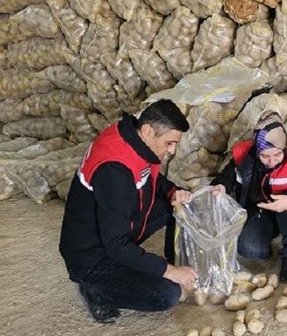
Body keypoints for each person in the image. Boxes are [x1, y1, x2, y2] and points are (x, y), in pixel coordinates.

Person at [59, 99, 198, 323]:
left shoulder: (133, 138)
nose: (172, 150)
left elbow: (149, 176)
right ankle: (96, 291)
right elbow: (116, 245)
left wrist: (173, 192)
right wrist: (168, 271)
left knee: (178, 207)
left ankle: (177, 267)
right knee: (168, 295)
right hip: (92, 255)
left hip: (117, 222)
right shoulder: (114, 170)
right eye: (170, 142)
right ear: (147, 130)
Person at [210, 112, 287, 283]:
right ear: (257, 151)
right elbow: (224, 177)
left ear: (284, 148)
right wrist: (220, 186)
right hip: (259, 211)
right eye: (265, 156)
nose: (272, 161)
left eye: (277, 155)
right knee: (250, 250)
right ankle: (268, 232)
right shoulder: (243, 155)